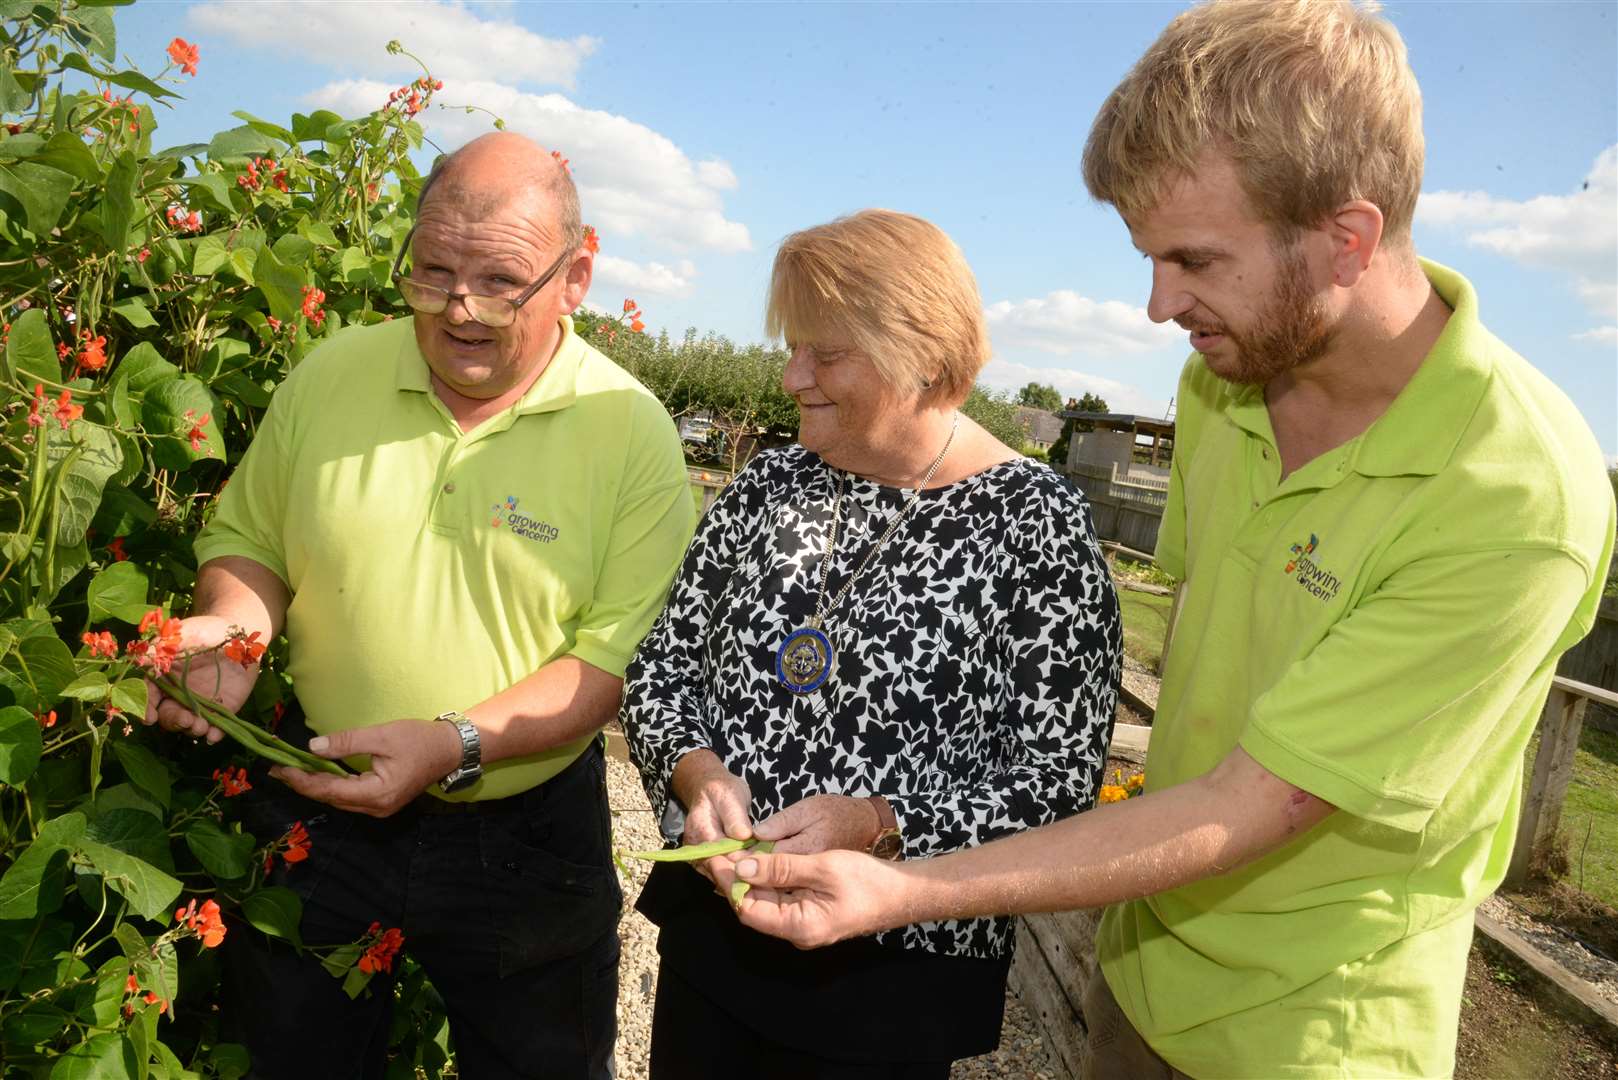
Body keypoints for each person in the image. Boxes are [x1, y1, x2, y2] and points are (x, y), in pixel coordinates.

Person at [729, 4, 1617, 1079]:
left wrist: (904, 886)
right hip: (1146, 964)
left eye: (1193, 259)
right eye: (1149, 257)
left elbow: (1254, 799)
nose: (1157, 306)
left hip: (1309, 1027)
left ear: (1347, 237)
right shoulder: (1222, 381)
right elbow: (1204, 655)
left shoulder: (1510, 496)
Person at [142, 132, 696, 1079]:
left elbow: (609, 663)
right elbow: (253, 539)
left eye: (499, 279)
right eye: (432, 271)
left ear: (577, 276)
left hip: (523, 835)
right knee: (296, 1059)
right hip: (316, 797)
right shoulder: (333, 373)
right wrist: (234, 627)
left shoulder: (631, 433)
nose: (459, 309)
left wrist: (453, 744)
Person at [621, 209, 1121, 1079]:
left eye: (825, 353)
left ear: (920, 355)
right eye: (793, 347)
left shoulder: (1034, 526)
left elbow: (1055, 784)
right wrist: (696, 775)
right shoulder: (771, 485)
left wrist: (883, 825)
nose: (790, 376)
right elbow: (662, 671)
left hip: (889, 978)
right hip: (716, 936)